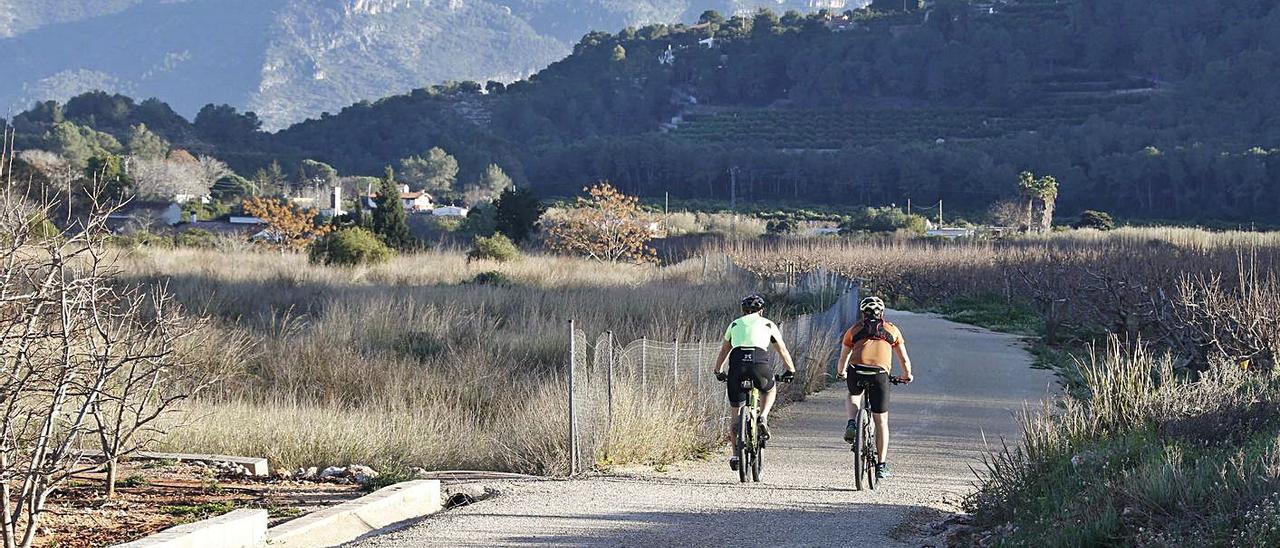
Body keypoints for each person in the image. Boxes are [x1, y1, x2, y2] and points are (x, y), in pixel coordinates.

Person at [712, 294, 797, 471]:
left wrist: (718, 370)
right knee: (769, 389)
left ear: (743, 311)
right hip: (759, 365)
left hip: (737, 366)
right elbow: (782, 349)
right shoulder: (768, 324)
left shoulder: (734, 324)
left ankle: (736, 456)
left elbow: (724, 351)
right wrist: (790, 370)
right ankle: (764, 416)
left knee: (735, 416)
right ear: (761, 310)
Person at [837, 295, 913, 480]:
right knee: (881, 421)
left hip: (856, 371)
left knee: (853, 395)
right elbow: (903, 358)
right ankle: (881, 465)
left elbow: (843, 357)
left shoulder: (854, 330)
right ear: (882, 313)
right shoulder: (892, 330)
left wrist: (841, 373)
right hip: (880, 375)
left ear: (862, 312)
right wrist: (906, 375)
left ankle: (852, 422)